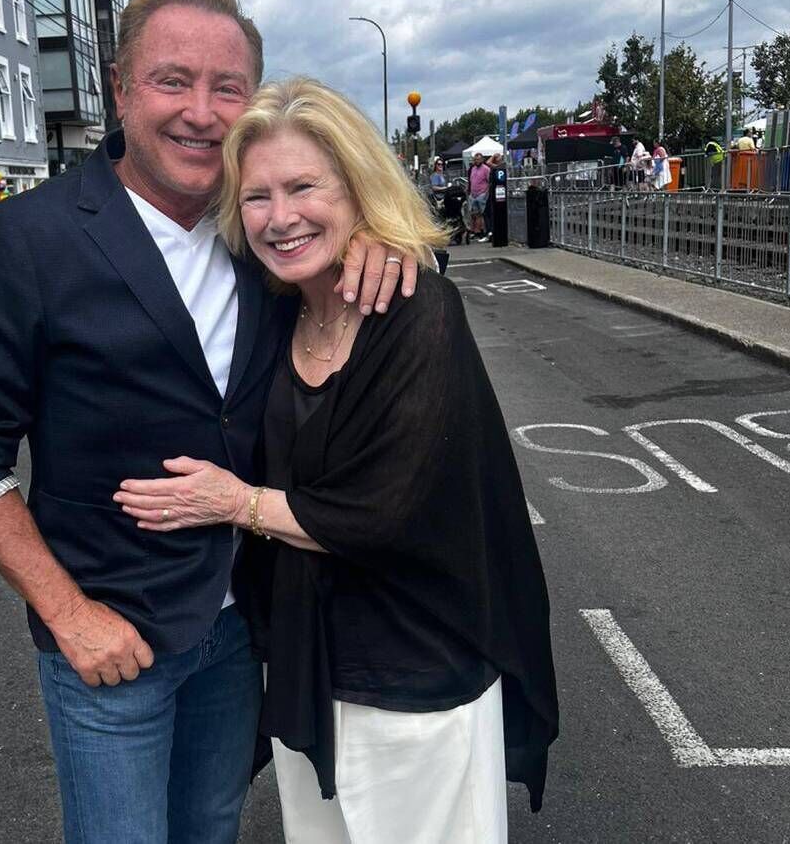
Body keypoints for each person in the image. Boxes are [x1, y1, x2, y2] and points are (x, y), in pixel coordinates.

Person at [0, 0, 417, 844]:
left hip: (240, 632)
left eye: (228, 88)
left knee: (211, 829)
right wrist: (70, 618)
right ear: (119, 89)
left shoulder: (258, 232)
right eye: (172, 81)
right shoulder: (27, 241)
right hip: (113, 642)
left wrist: (371, 237)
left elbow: (333, 251)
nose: (201, 111)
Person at [115, 77, 559, 842]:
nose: (280, 218)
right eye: (257, 196)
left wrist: (236, 502)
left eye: (304, 187)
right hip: (307, 670)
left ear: (357, 188)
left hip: (415, 675)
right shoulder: (273, 304)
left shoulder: (416, 309)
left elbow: (383, 512)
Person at [467, 152, 490, 240]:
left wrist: (486, 193)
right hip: (473, 194)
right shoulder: (473, 168)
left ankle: (484, 231)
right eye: (475, 159)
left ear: (482, 159)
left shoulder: (486, 169)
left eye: (479, 159)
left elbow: (489, 182)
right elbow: (471, 180)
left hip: (482, 194)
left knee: (482, 214)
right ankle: (476, 231)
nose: (477, 161)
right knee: (475, 214)